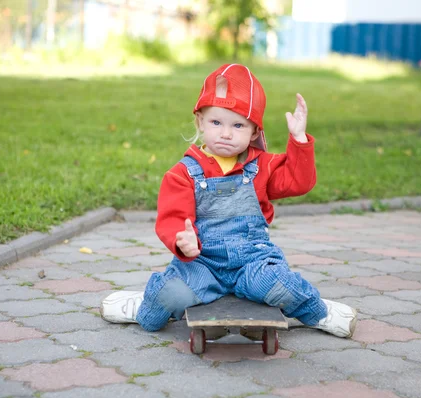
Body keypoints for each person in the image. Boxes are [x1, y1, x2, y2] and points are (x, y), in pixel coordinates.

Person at [100, 63, 357, 338]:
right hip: (203, 263)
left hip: (253, 260)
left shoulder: (261, 166)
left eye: (238, 125)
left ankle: (317, 311)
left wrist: (299, 139)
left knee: (280, 285)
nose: (226, 133)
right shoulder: (184, 173)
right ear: (200, 121)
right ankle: (144, 306)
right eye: (216, 122)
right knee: (171, 295)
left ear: (255, 132)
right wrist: (182, 241)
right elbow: (173, 217)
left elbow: (299, 181)